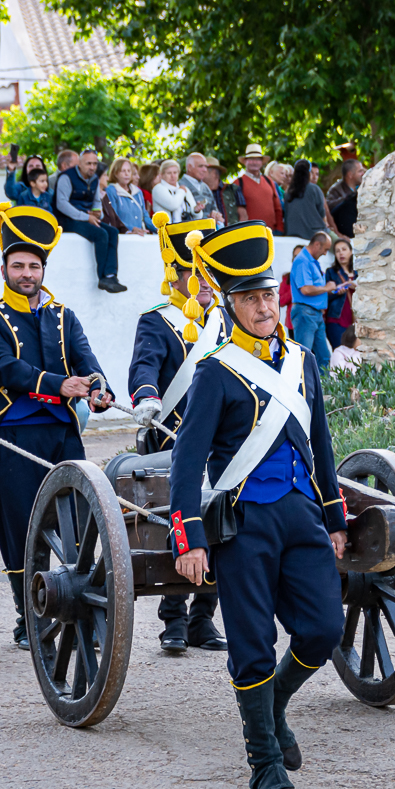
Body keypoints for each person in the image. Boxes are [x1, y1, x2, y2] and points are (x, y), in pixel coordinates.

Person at [167, 220, 348, 789]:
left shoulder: (301, 361)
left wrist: (336, 517)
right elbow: (187, 463)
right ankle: (264, 762)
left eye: (268, 294)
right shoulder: (215, 372)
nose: (263, 306)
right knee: (251, 644)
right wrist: (188, 538)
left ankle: (273, 705)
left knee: (323, 629)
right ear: (231, 303)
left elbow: (322, 444)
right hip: (243, 523)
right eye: (249, 297)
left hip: (300, 515)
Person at [0, 203, 113, 650]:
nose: (26, 273)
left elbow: (88, 362)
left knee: (76, 525)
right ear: (4, 268)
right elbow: (1, 368)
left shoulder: (64, 316)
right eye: (18, 265)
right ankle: (29, 617)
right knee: (21, 527)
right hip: (12, 434)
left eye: (34, 266)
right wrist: (58, 383)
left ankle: (75, 608)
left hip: (62, 435)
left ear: (43, 269)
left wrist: (99, 391)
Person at [127, 212, 230, 652]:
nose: (204, 282)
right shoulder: (157, 319)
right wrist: (146, 395)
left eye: (210, 273)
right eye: (196, 272)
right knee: (179, 521)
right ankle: (173, 616)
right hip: (171, 439)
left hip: (226, 443)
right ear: (177, 273)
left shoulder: (227, 322)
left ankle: (203, 617)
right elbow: (145, 363)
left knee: (222, 525)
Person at [55, 148, 126, 292]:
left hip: (87, 217)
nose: (92, 167)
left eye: (94, 164)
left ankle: (111, 275)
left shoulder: (94, 179)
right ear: (79, 164)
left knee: (112, 232)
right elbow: (61, 204)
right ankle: (102, 278)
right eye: (88, 164)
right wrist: (86, 217)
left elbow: (96, 201)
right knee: (101, 234)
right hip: (67, 219)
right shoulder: (66, 177)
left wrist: (97, 211)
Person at [289, 231, 336, 371]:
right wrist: (326, 288)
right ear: (317, 244)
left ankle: (324, 391)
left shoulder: (311, 261)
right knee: (303, 356)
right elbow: (306, 289)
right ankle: (303, 390)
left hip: (315, 314)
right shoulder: (302, 261)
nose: (325, 253)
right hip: (305, 313)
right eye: (325, 249)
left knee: (324, 356)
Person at [233, 144, 285, 233]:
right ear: (245, 162)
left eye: (257, 159)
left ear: (261, 162)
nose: (254, 162)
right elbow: (235, 212)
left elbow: (278, 207)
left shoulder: (269, 181)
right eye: (251, 159)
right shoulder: (238, 183)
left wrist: (280, 229)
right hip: (250, 233)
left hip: (272, 232)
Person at [103, 158, 154, 234]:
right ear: (116, 173)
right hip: (122, 235)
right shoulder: (111, 190)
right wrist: (130, 229)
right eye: (123, 171)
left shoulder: (137, 191)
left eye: (129, 171)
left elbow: (145, 215)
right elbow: (114, 217)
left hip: (139, 235)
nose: (126, 174)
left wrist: (158, 229)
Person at [283, 159, 330, 240]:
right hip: (314, 233)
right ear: (308, 173)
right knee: (340, 242)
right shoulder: (314, 188)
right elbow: (322, 213)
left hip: (291, 233)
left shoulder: (288, 192)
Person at [323, 237, 357, 347]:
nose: (341, 253)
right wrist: (336, 291)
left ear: (351, 251)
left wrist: (357, 287)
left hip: (355, 320)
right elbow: (325, 296)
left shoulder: (359, 273)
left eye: (344, 249)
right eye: (337, 251)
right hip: (336, 319)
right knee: (340, 352)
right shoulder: (331, 272)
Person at [181, 153, 223, 225]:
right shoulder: (180, 185)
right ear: (189, 167)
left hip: (210, 230)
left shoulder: (205, 187)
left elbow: (215, 209)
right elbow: (182, 215)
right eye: (201, 166)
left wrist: (216, 215)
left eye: (205, 166)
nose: (205, 170)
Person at [151, 158, 198, 223]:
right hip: (167, 230)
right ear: (162, 175)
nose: (173, 176)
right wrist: (181, 191)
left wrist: (197, 210)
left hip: (186, 228)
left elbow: (197, 215)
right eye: (169, 173)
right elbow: (173, 205)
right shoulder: (158, 188)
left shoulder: (184, 189)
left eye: (175, 173)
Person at [202, 156, 233, 223]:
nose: (202, 172)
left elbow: (243, 214)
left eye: (205, 170)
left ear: (215, 174)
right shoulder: (200, 191)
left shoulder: (232, 189)